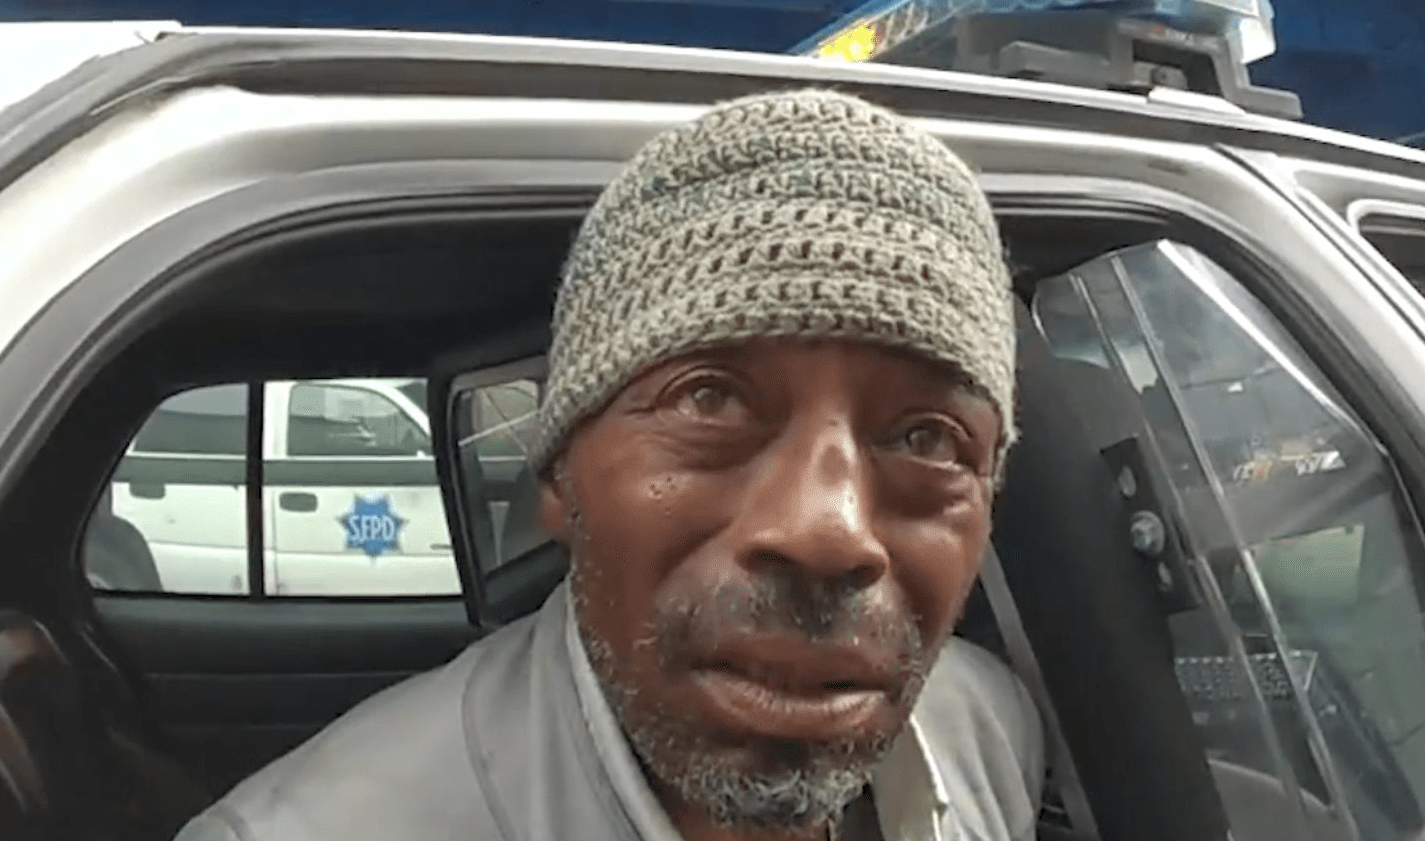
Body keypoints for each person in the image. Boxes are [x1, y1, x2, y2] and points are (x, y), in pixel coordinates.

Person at [174, 88, 1047, 841]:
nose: (827, 532)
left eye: (927, 439)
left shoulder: (987, 729)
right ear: (557, 473)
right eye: (711, 401)